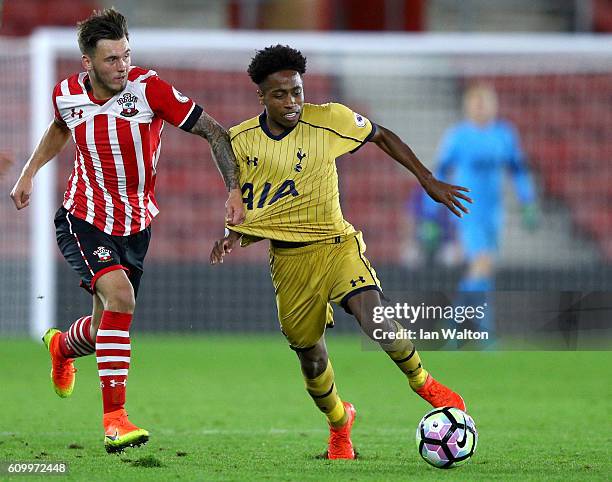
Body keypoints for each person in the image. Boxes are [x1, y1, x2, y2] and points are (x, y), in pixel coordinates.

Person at [210, 45, 471, 460]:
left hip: (337, 245)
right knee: (312, 361)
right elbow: (259, 207)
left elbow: (381, 134)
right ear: (261, 96)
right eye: (280, 94)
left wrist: (426, 179)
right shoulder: (242, 142)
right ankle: (339, 423)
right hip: (290, 262)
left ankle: (424, 382)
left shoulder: (329, 119)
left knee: (374, 315)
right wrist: (232, 235)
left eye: (297, 91)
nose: (292, 101)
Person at [9, 8, 244, 454]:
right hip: (84, 217)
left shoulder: (149, 89)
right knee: (121, 299)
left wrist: (233, 190)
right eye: (112, 59)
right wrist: (29, 172)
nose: (122, 66)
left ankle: (61, 347)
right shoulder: (65, 95)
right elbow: (61, 127)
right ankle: (115, 420)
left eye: (126, 56)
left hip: (136, 225)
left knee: (102, 334)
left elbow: (215, 132)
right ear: (88, 63)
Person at [420, 83, 538, 340]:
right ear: (468, 106)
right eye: (476, 102)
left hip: (494, 212)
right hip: (467, 209)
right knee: (482, 262)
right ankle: (456, 325)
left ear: (494, 105)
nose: (481, 107)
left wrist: (527, 201)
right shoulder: (458, 136)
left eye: (486, 102)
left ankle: (477, 328)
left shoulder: (505, 135)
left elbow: (519, 170)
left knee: (484, 269)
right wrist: (430, 215)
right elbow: (438, 173)